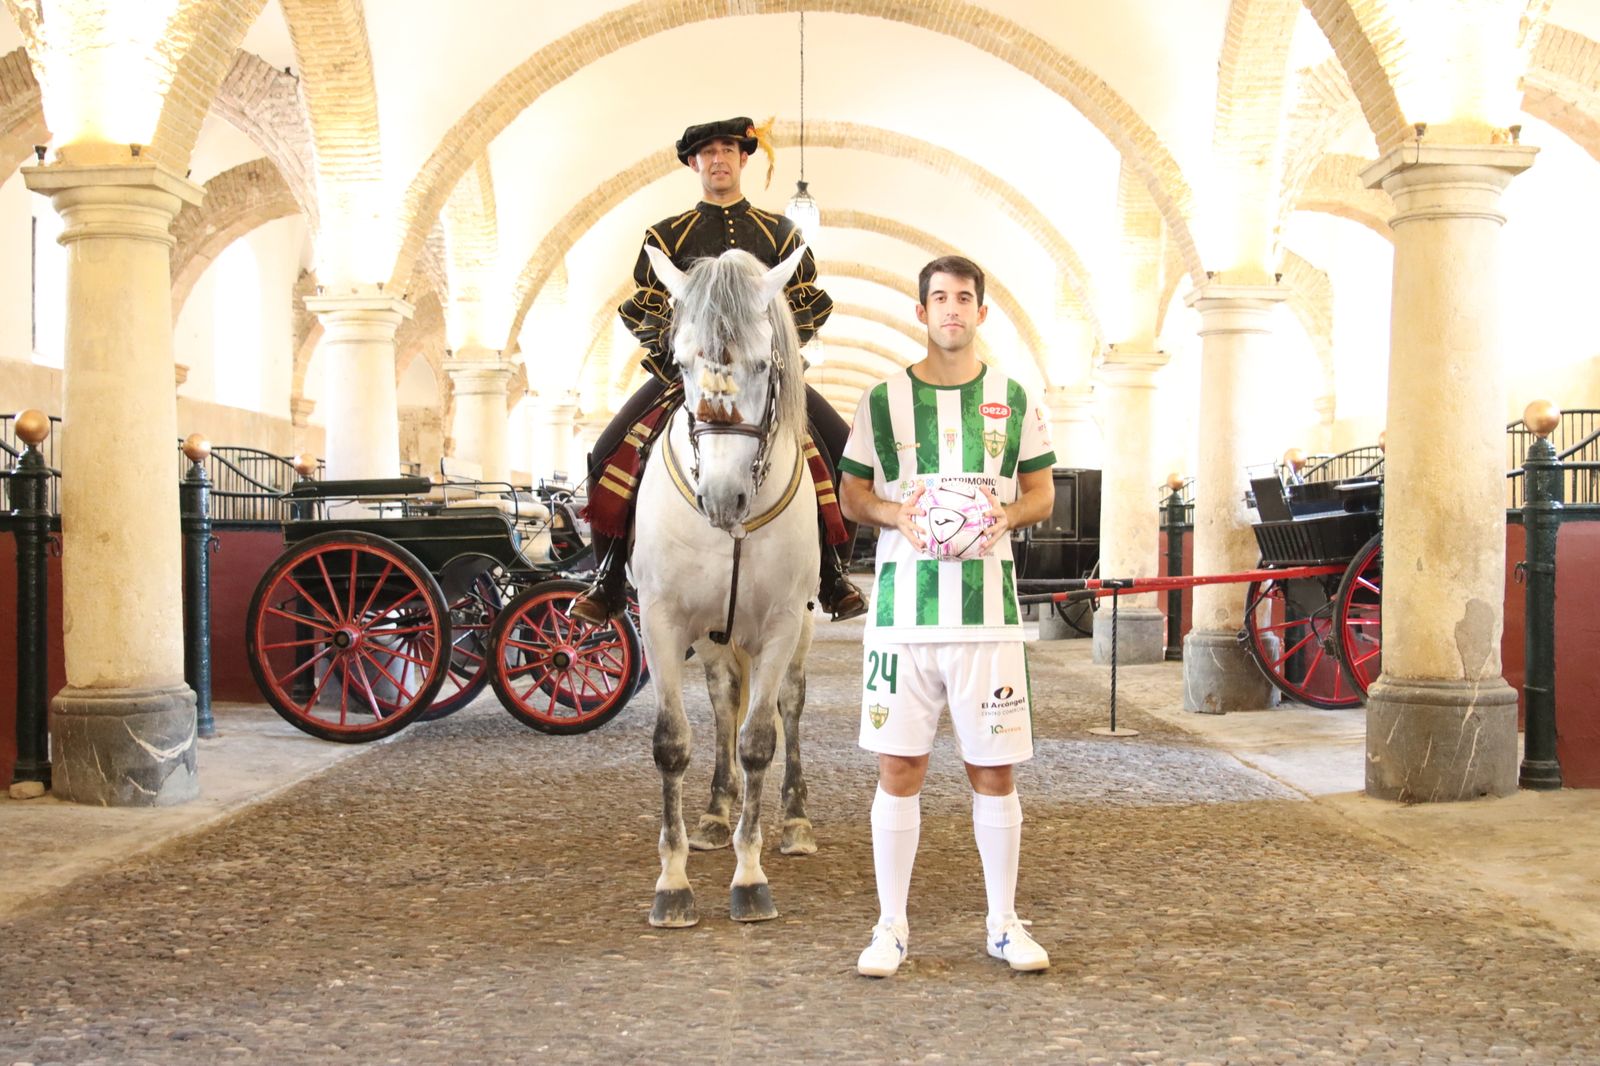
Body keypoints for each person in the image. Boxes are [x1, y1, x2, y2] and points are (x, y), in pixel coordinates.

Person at [838, 255, 1057, 977]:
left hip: (988, 617)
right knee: (898, 767)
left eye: (964, 298)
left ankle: (1002, 923)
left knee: (993, 772)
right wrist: (898, 510)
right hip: (902, 616)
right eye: (939, 298)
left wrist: (1006, 515)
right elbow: (851, 496)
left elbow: (1041, 493)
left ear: (981, 313)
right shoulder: (883, 400)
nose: (952, 310)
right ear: (922, 311)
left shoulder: (1012, 396)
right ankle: (890, 928)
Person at [570, 116, 866, 625]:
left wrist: (769, 347)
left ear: (745, 158)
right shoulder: (664, 236)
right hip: (686, 376)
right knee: (605, 454)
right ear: (693, 163)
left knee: (843, 448)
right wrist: (683, 351)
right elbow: (646, 305)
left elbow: (808, 301)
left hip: (763, 376)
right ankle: (609, 579)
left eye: (729, 149)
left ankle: (833, 574)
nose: (719, 159)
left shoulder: (782, 232)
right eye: (708, 152)